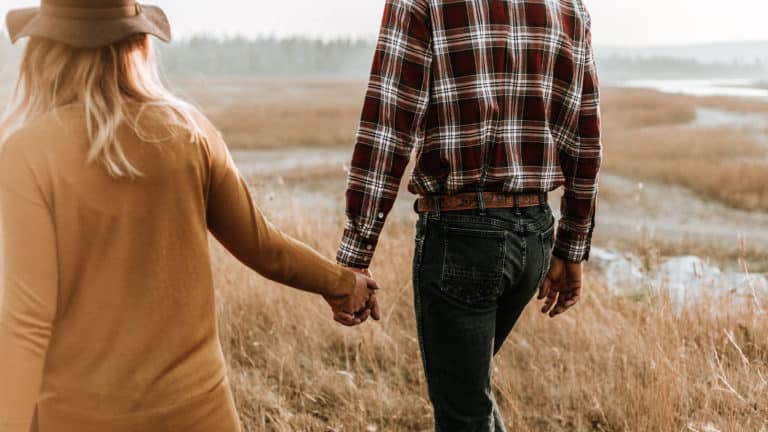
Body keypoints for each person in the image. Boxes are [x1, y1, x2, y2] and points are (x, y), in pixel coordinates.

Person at [0, 2, 380, 431]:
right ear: (138, 44)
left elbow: (25, 324)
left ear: (44, 50)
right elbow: (264, 247)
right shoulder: (190, 131)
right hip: (203, 416)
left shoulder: (26, 154)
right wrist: (342, 284)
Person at [337, 0, 602, 430]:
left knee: (464, 411)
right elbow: (584, 133)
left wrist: (355, 253)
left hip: (463, 238)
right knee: (469, 396)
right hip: (533, 236)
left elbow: (388, 125)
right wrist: (571, 246)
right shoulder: (568, 6)